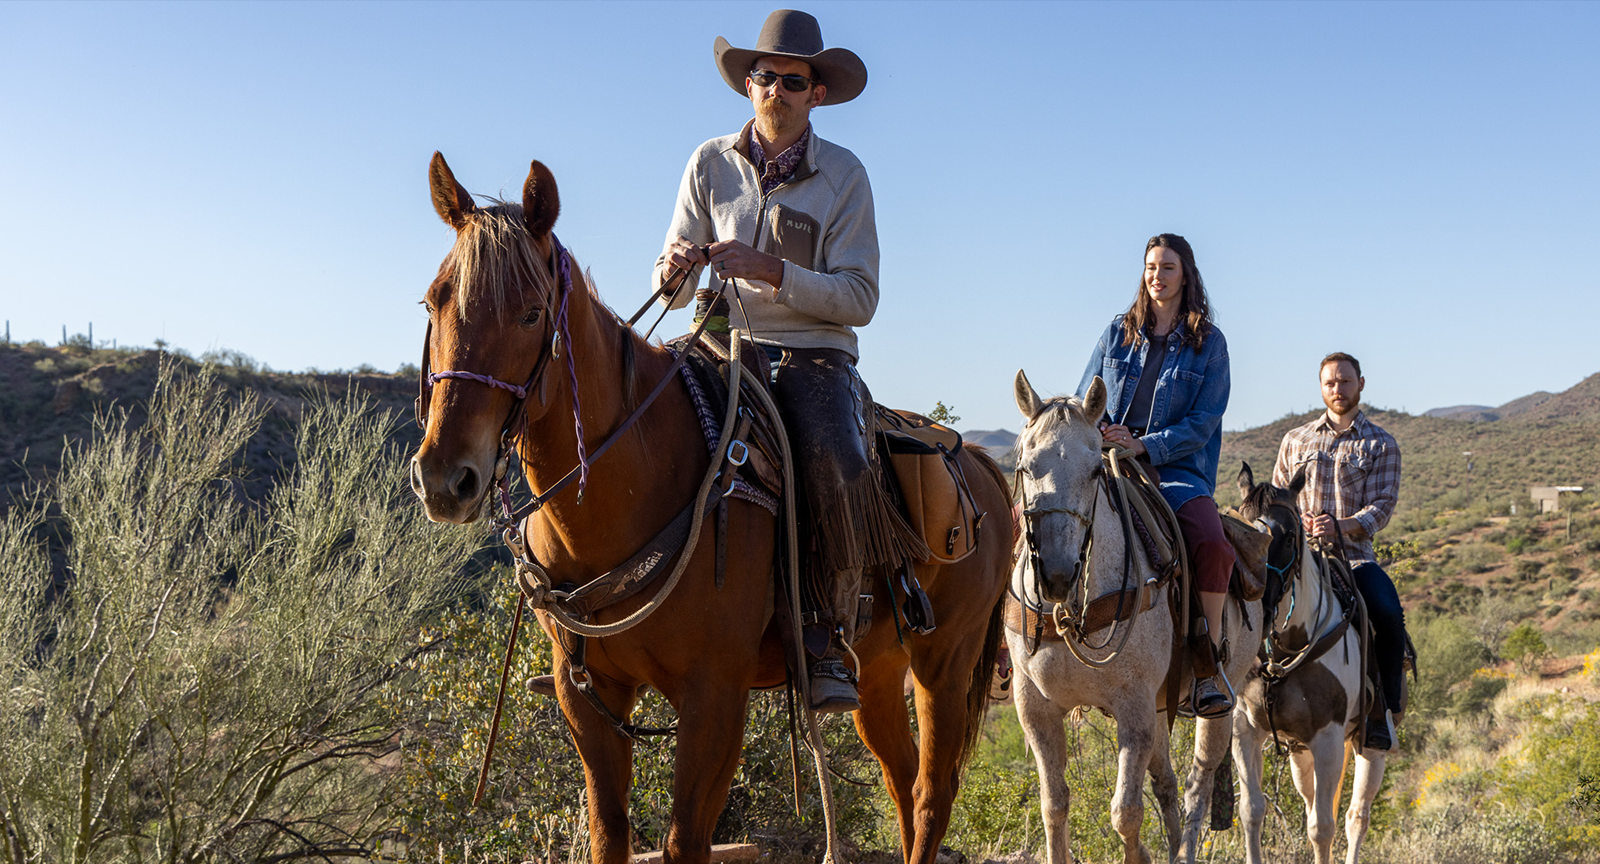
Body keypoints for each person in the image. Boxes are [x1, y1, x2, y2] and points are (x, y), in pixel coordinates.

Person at [653, 9, 879, 713]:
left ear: (816, 93)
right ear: (747, 85)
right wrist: (675, 269)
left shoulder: (845, 176)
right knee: (630, 418)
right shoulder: (707, 162)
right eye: (764, 76)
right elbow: (674, 277)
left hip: (812, 355)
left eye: (791, 79)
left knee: (836, 461)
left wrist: (773, 271)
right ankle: (610, 617)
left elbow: (861, 296)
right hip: (717, 342)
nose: (774, 89)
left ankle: (825, 631)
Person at [1078, 233, 1236, 717]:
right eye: (1150, 266)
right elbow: (1087, 397)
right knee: (1039, 515)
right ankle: (1021, 641)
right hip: (1108, 462)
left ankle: (1207, 662)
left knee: (1212, 544)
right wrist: (1105, 433)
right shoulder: (1116, 332)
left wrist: (1145, 443)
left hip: (1176, 470)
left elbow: (1202, 423)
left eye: (1167, 267)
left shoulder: (1209, 344)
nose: (1157, 276)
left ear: (1185, 275)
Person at [1273, 352, 1406, 750]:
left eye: (1345, 381)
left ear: (1360, 384)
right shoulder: (1295, 440)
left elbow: (1382, 506)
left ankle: (1382, 710)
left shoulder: (1381, 443)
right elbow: (1280, 497)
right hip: (1300, 557)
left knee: (1386, 611)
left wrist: (1340, 526)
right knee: (1254, 596)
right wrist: (1297, 523)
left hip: (1353, 557)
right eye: (1330, 382)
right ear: (1321, 388)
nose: (1338, 389)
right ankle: (1248, 693)